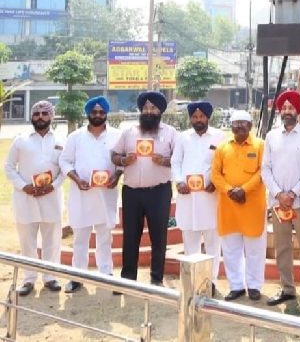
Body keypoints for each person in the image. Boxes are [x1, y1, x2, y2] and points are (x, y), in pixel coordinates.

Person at [111, 91, 177, 289]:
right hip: (132, 192)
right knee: (130, 236)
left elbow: (179, 159)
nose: (149, 111)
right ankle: (127, 279)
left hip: (159, 191)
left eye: (153, 108)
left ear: (160, 111)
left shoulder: (171, 133)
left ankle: (156, 279)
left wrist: (165, 161)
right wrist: (124, 160)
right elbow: (114, 155)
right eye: (146, 108)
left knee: (159, 236)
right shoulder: (129, 132)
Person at [262, 90, 300, 312]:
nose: (287, 111)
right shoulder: (271, 136)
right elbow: (265, 169)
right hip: (278, 203)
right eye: (284, 108)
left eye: (291, 107)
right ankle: (287, 288)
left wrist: (293, 193)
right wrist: (279, 194)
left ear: (298, 110)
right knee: (282, 246)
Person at [60, 96, 121, 293]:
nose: (98, 115)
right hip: (82, 194)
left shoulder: (117, 135)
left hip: (106, 194)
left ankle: (106, 274)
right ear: (88, 114)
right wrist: (77, 179)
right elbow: (64, 161)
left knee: (105, 237)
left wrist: (117, 176)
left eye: (101, 112)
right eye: (94, 112)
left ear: (106, 114)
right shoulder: (75, 136)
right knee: (80, 237)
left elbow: (122, 161)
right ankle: (77, 276)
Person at [4, 100, 65, 296]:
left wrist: (53, 186)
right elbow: (9, 167)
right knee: (27, 241)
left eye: (44, 113)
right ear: (32, 117)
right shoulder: (20, 140)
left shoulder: (60, 140)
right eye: (36, 113)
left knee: (52, 240)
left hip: (51, 197)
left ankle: (50, 277)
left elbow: (66, 168)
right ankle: (29, 279)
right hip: (26, 198)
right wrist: (24, 187)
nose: (40, 117)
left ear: (51, 116)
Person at [211, 110, 267, 301]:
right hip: (229, 206)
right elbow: (215, 174)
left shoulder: (260, 145)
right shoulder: (222, 147)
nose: (240, 126)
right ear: (231, 126)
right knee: (230, 248)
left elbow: (262, 172)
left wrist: (244, 190)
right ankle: (236, 286)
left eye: (244, 123)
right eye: (236, 123)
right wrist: (230, 191)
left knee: (255, 249)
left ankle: (254, 286)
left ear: (250, 126)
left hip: (252, 205)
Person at [171, 101, 226, 292]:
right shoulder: (183, 138)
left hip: (210, 197)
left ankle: (211, 281)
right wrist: (179, 181)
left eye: (201, 116)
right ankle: (192, 281)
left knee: (213, 241)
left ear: (208, 117)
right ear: (190, 119)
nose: (198, 120)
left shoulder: (219, 136)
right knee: (190, 240)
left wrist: (216, 183)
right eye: (194, 117)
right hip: (188, 196)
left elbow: (224, 164)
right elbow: (176, 162)